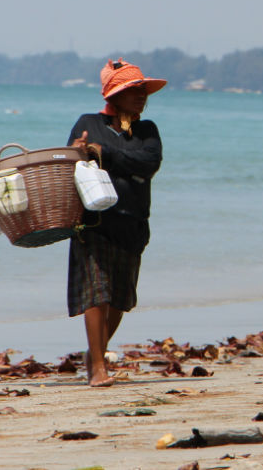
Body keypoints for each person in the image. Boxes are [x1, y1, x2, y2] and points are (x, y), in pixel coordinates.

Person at [66, 59, 166, 387]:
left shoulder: (146, 130)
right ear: (114, 95)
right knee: (96, 292)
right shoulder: (88, 122)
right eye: (132, 90)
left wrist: (104, 152)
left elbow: (149, 163)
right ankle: (97, 367)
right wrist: (80, 151)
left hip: (133, 223)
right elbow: (70, 164)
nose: (140, 96)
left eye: (142, 90)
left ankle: (96, 353)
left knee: (121, 298)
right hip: (93, 222)